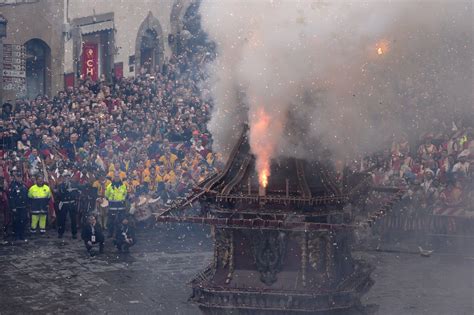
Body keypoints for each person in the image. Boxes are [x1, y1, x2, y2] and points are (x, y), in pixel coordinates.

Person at [56, 171, 81, 239]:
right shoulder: (61, 185)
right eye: (66, 177)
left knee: (73, 219)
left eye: (68, 176)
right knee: (62, 219)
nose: (67, 178)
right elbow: (60, 193)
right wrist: (66, 186)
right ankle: (60, 233)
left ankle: (74, 233)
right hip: (64, 203)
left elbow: (78, 192)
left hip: (72, 203)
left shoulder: (74, 184)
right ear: (63, 178)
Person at [104, 172, 128, 238]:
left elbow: (125, 194)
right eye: (115, 177)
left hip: (121, 206)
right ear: (113, 178)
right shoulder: (109, 186)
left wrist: (122, 199)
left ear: (119, 177)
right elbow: (106, 195)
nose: (116, 178)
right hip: (112, 206)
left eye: (118, 177)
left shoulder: (123, 186)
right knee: (110, 221)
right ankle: (110, 233)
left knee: (122, 220)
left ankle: (121, 233)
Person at [8, 172, 29, 242]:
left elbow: (26, 196)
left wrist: (27, 205)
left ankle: (22, 235)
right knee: (16, 221)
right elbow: (11, 197)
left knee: (23, 221)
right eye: (18, 177)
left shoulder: (23, 185)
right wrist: (13, 207)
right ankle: (17, 236)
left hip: (23, 206)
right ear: (15, 177)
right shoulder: (13, 186)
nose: (19, 178)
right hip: (16, 207)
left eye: (20, 177)